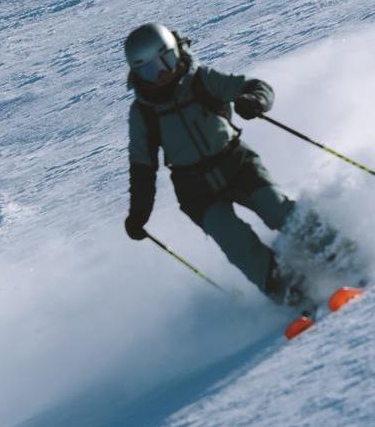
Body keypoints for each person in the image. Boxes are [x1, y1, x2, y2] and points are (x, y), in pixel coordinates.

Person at [121, 22, 305, 305]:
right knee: (235, 242)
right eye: (150, 70)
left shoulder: (200, 79)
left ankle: (333, 249)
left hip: (235, 163)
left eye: (166, 61)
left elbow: (257, 87)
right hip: (194, 188)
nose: (162, 74)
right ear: (137, 74)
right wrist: (139, 215)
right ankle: (290, 291)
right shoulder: (143, 112)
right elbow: (142, 168)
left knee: (275, 206)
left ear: (176, 53)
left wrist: (253, 100)